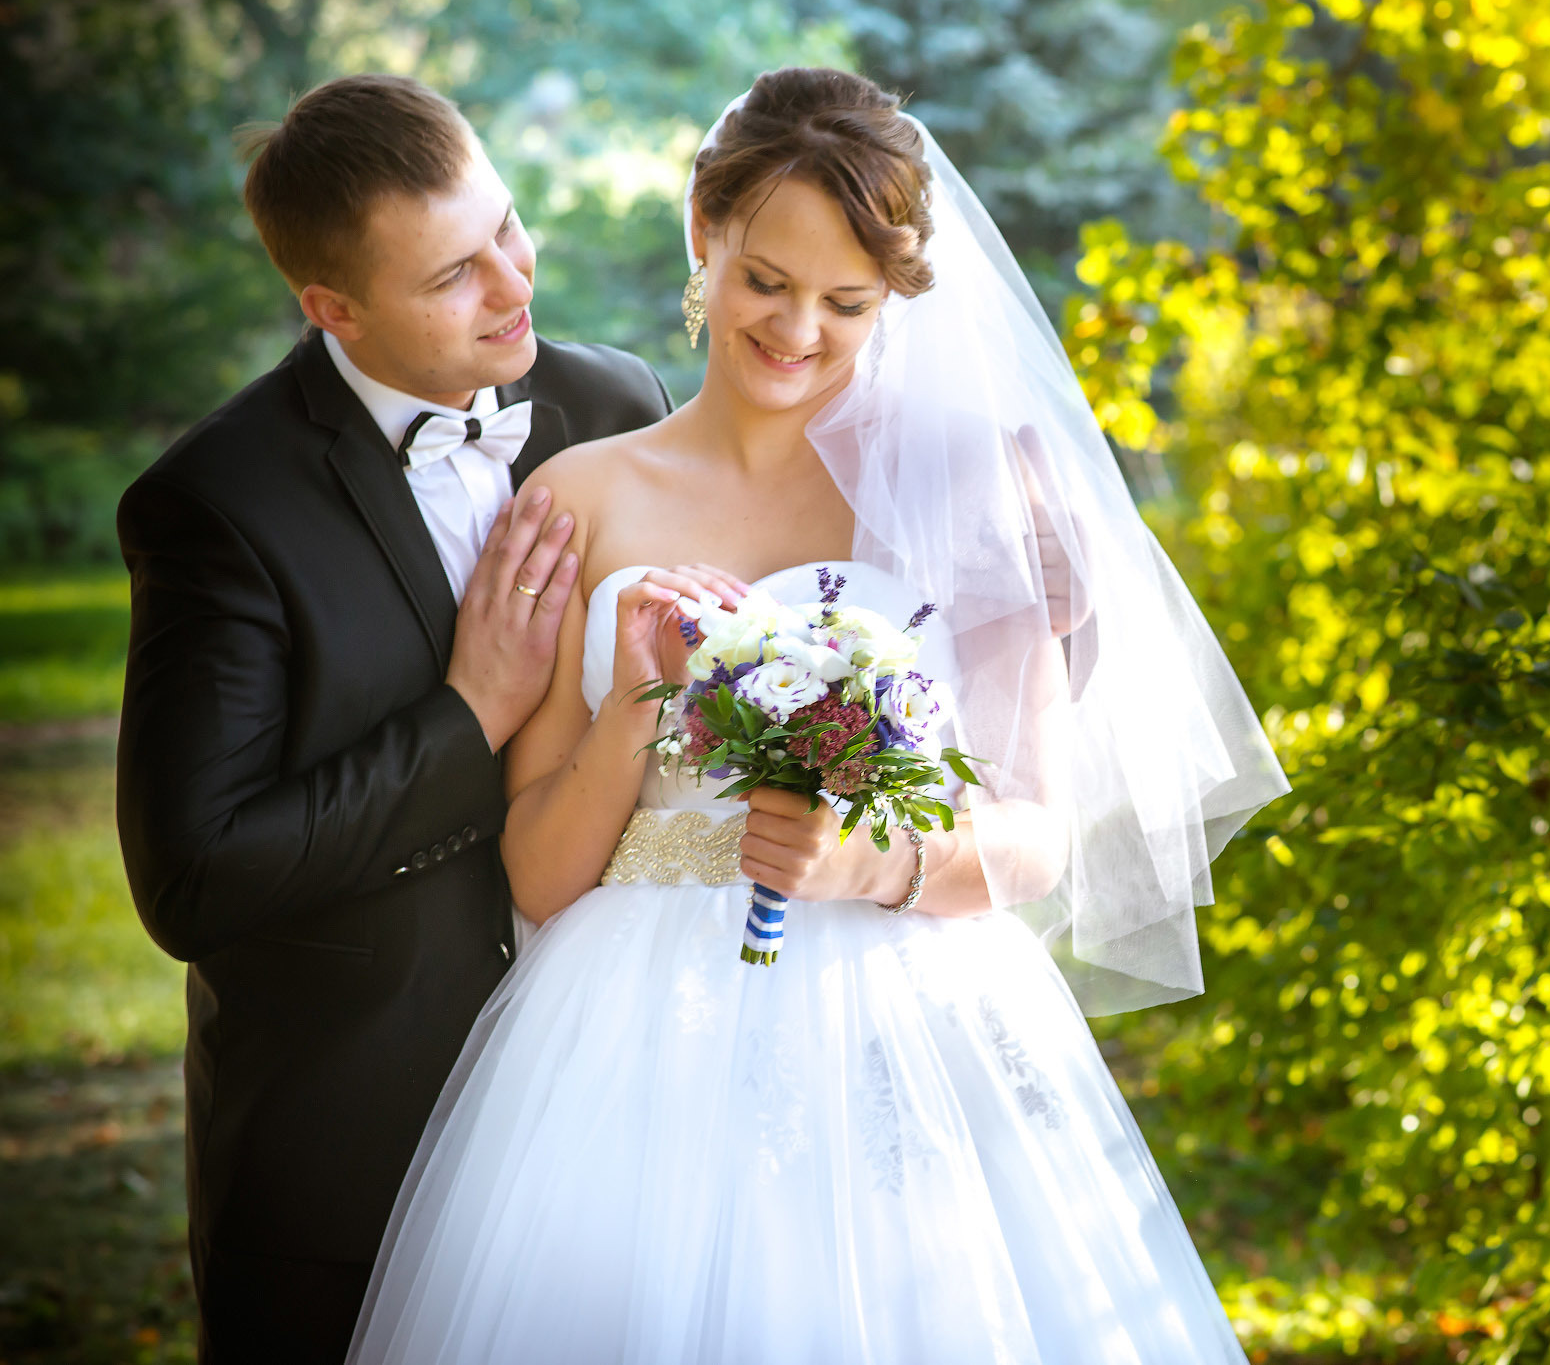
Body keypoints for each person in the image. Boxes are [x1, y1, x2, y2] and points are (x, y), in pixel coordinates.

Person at [346, 67, 1288, 1363]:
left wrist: (877, 860)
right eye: (764, 282)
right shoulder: (576, 499)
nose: (796, 330)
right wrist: (635, 701)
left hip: (912, 1029)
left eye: (846, 303)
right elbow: (537, 875)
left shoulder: (976, 485)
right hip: (630, 1048)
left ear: (900, 295)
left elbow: (1034, 833)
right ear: (704, 237)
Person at [114, 73, 675, 1362]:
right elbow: (194, 879)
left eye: (509, 231)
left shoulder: (615, 408)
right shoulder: (216, 505)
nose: (515, 284)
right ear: (334, 310)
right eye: (452, 278)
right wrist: (470, 717)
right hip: (351, 1155)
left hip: (618, 1113)